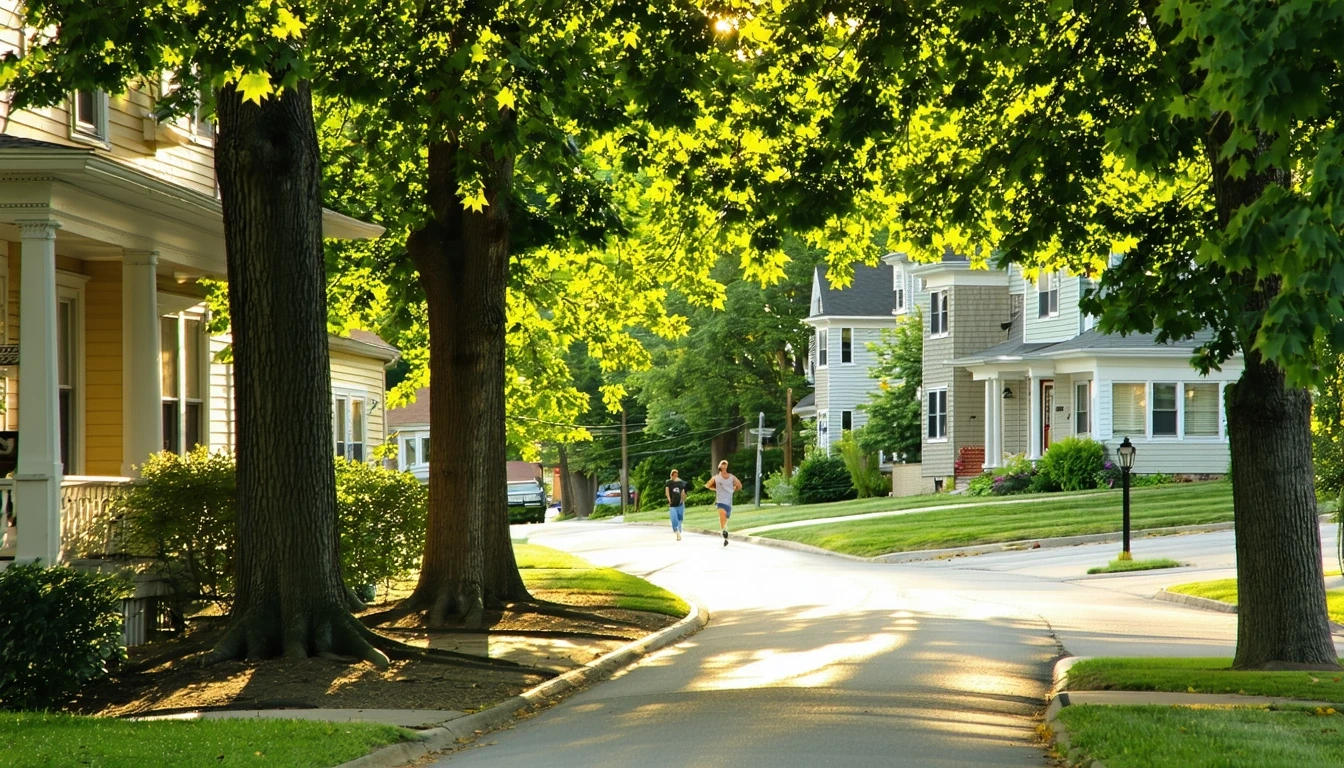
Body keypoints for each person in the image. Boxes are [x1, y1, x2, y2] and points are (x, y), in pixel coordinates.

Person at [705, 460, 742, 547]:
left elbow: (739, 485)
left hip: (729, 500)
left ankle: (725, 529)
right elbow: (708, 485)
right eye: (723, 464)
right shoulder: (716, 478)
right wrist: (716, 488)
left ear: (727, 466)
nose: (724, 466)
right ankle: (724, 532)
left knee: (726, 517)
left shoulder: (731, 477)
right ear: (720, 466)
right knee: (722, 514)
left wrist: (733, 490)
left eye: (725, 464)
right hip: (720, 500)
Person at [665, 469, 689, 541]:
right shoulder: (669, 483)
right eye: (674, 475)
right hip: (673, 504)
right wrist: (669, 500)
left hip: (680, 503)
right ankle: (677, 532)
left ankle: (679, 530)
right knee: (674, 519)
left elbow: (684, 491)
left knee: (680, 518)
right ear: (671, 475)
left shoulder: (681, 483)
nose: (675, 476)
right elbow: (667, 492)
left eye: (676, 475)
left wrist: (683, 498)